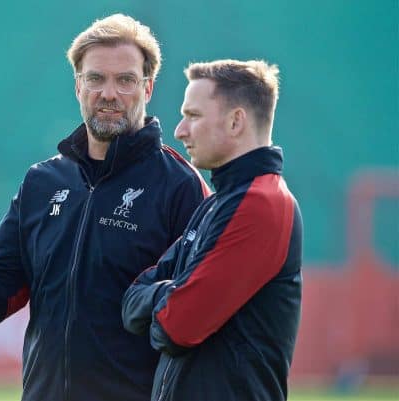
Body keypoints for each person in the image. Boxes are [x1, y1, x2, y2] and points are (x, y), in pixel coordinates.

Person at [0, 14, 210, 401]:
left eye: (125, 80)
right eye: (96, 78)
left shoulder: (180, 186)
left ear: (148, 88)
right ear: (78, 86)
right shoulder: (41, 182)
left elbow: (200, 317)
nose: (109, 93)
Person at [122, 59, 303, 401]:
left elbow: (175, 328)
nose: (180, 130)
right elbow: (131, 302)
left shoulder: (260, 203)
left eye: (193, 116)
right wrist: (170, 293)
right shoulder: (218, 203)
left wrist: (164, 297)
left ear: (236, 121)